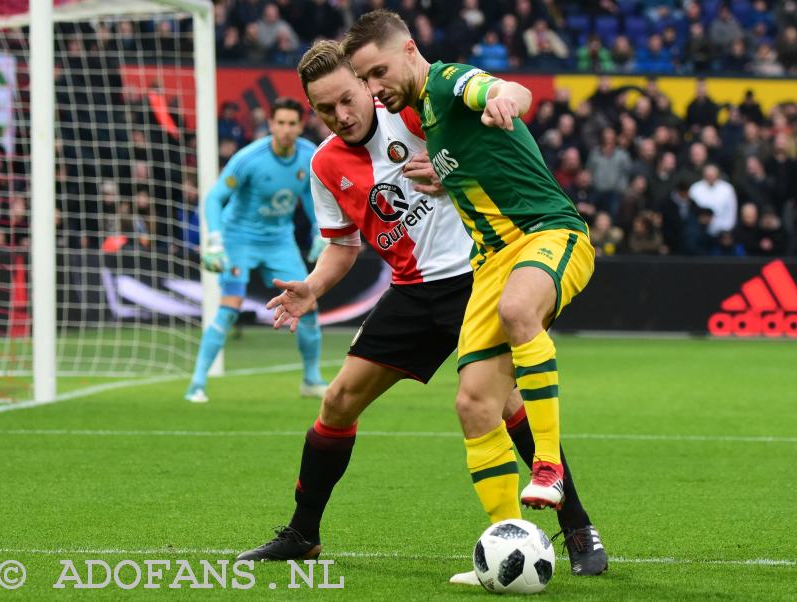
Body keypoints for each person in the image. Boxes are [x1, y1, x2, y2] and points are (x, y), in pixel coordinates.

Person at [236, 40, 607, 580]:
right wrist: (313, 288)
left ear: (365, 84)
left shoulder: (412, 110)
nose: (340, 116)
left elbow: (475, 122)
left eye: (346, 99)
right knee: (338, 400)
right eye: (324, 109)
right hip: (411, 292)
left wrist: (464, 143)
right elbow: (343, 246)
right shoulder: (323, 165)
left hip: (473, 275)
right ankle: (303, 533)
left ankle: (576, 525)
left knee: (500, 403)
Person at [344, 7, 595, 538]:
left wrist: (507, 99)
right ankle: (510, 542)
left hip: (548, 234)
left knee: (518, 308)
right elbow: (474, 158)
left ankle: (548, 466)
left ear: (409, 50)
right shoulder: (424, 122)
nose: (372, 90)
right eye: (364, 80)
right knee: (474, 404)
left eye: (378, 73)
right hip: (490, 263)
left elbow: (505, 91)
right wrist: (445, 174)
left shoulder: (446, 80)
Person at [185, 98, 328, 403]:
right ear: (271, 125)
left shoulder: (309, 155)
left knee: (308, 304)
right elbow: (213, 198)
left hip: (279, 240)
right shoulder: (249, 158)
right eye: (281, 123)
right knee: (230, 307)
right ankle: (197, 383)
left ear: (301, 126)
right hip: (240, 239)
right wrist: (214, 241)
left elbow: (310, 195)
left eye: (292, 124)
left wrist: (320, 231)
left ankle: (311, 379)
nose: (286, 130)